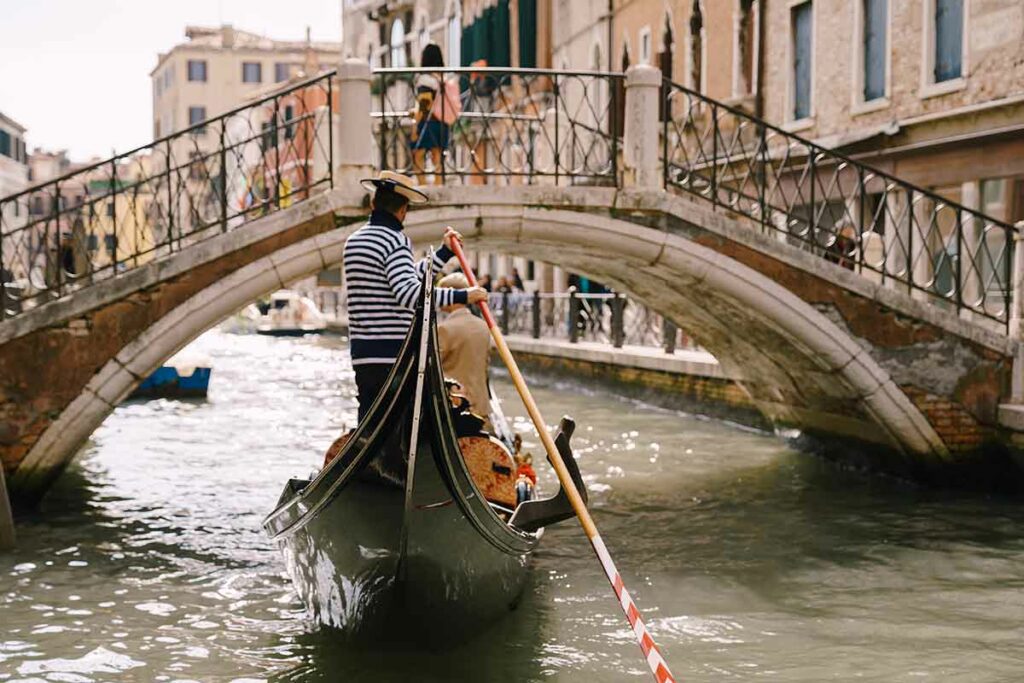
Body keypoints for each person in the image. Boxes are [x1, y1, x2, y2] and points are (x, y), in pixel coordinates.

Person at [344, 171, 487, 421]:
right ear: (403, 210)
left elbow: (404, 279)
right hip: (395, 356)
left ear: (373, 203)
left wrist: (443, 253)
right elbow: (411, 295)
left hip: (363, 353)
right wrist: (463, 296)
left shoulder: (354, 241)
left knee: (370, 421)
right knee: (402, 428)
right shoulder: (395, 241)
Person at [437, 272, 493, 431]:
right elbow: (485, 365)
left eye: (443, 293)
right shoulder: (483, 326)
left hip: (457, 407)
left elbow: (433, 369)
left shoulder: (444, 329)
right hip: (481, 405)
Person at [411, 44, 461, 186]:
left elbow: (424, 105)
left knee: (417, 154)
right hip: (442, 121)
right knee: (437, 156)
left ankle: (423, 187)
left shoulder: (425, 79)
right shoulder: (442, 77)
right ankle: (438, 185)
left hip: (428, 121)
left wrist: (415, 126)